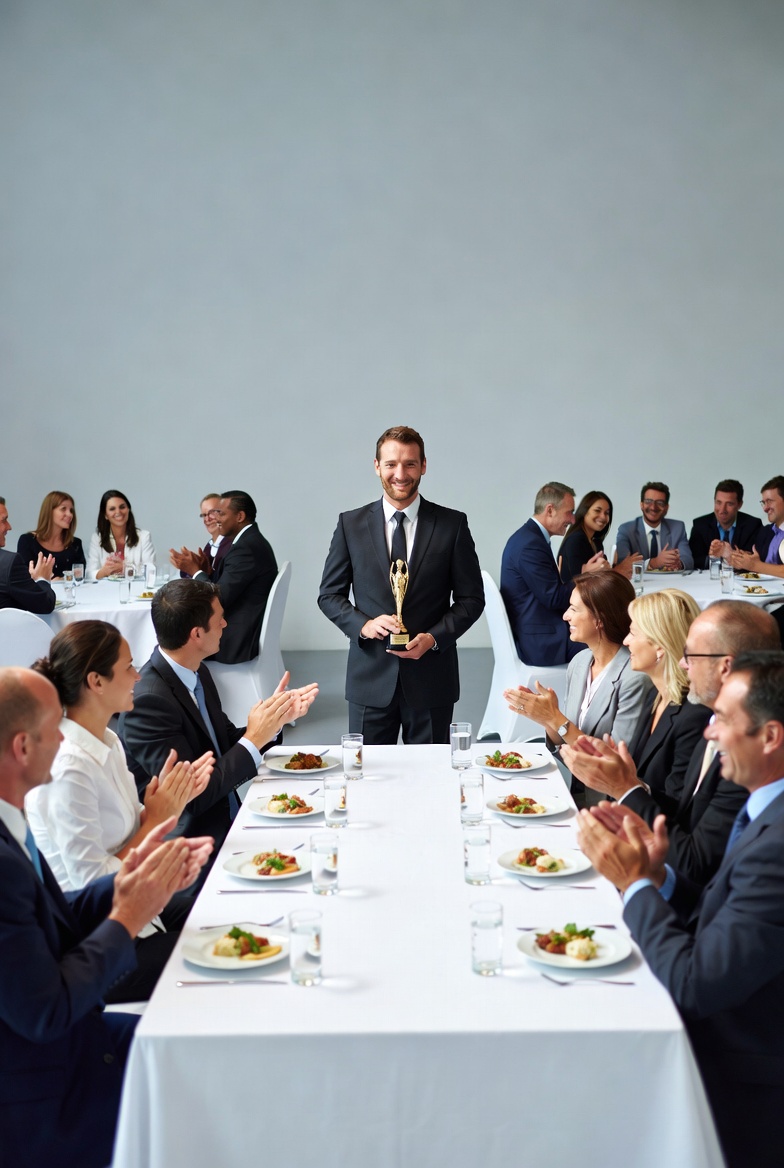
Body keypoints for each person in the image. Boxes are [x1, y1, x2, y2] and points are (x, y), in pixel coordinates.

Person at [575, 651, 784, 1168]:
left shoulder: (777, 841)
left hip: (740, 1069)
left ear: (771, 737)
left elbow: (696, 984)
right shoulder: (765, 808)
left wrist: (633, 889)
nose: (710, 734)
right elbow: (726, 911)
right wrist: (656, 876)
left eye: (724, 720)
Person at [0, 666, 212, 1168]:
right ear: (23, 748)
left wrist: (124, 885)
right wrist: (127, 919)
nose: (66, 737)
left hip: (73, 1037)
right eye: (56, 726)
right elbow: (45, 1012)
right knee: (202, 1072)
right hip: (41, 1088)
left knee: (203, 1046)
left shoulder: (12, 819)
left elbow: (45, 920)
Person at [25, 621, 214, 1002]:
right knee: (214, 959)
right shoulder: (69, 768)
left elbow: (129, 831)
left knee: (217, 914)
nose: (138, 674)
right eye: (128, 666)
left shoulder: (107, 739)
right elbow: (91, 886)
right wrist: (157, 820)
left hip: (134, 911)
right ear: (96, 681)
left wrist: (165, 808)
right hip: (97, 942)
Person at [561, 599, 779, 881]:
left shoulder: (742, 753)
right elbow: (680, 809)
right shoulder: (711, 723)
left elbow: (694, 863)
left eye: (692, 655)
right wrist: (629, 784)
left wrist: (626, 788)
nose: (682, 663)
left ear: (726, 667)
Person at [119, 578, 318, 846]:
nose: (225, 624)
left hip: (226, 816)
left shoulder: (197, 669)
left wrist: (275, 719)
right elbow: (193, 798)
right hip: (192, 844)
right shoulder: (149, 703)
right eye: (219, 619)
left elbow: (220, 743)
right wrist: (254, 738)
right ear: (197, 634)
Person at [318, 425, 484, 744]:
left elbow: (471, 599)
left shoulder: (452, 525)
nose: (400, 473)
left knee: (431, 782)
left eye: (410, 463)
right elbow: (329, 595)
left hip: (432, 677)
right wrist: (363, 625)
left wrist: (434, 638)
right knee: (367, 781)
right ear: (377, 466)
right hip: (369, 678)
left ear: (423, 466)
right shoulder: (350, 525)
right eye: (391, 464)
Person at [503, 571, 653, 806]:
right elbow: (566, 744)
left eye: (574, 609)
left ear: (599, 619)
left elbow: (617, 766)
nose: (565, 616)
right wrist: (547, 718)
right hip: (573, 792)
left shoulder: (634, 678)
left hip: (609, 806)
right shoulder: (581, 662)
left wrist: (556, 718)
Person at [500, 481, 604, 667]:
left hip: (539, 633)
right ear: (550, 510)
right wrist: (585, 575)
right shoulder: (530, 545)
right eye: (569, 512)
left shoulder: (529, 538)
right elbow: (554, 598)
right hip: (543, 643)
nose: (573, 520)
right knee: (607, 643)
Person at [620, 588, 710, 794]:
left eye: (633, 633)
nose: (626, 641)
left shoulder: (694, 715)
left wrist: (620, 784)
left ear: (660, 646)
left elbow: (677, 805)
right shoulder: (655, 694)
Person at [170, 491, 276, 663]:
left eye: (221, 513)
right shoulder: (249, 541)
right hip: (242, 629)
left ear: (240, 516)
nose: (216, 519)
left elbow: (218, 598)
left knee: (176, 638)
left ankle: (179, 688)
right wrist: (207, 572)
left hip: (236, 640)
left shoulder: (246, 548)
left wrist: (196, 572)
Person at [557, 491, 642, 583]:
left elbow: (602, 574)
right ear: (584, 512)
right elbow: (579, 581)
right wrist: (618, 570)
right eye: (597, 510)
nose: (603, 517)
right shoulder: (575, 540)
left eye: (607, 513)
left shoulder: (596, 542)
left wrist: (614, 567)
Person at [615, 481, 694, 570]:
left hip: (670, 582)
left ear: (666, 507)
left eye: (660, 503)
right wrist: (654, 562)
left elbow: (688, 560)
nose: (653, 507)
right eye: (648, 501)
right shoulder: (626, 530)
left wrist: (678, 564)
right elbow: (623, 564)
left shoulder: (678, 527)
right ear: (641, 505)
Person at [687, 478, 762, 568]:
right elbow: (693, 559)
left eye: (729, 504)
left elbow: (756, 558)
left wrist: (729, 554)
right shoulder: (700, 525)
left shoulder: (753, 525)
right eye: (718, 503)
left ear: (739, 505)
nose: (722, 510)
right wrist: (717, 558)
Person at [0, 494, 55, 613]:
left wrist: (26, 580)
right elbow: (45, 604)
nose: (9, 527)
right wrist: (42, 579)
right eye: (4, 520)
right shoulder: (9, 564)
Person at [86, 489, 156, 580]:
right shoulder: (97, 538)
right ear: (105, 515)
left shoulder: (144, 536)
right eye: (112, 509)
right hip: (106, 591)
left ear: (128, 510)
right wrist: (104, 571)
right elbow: (88, 574)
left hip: (136, 591)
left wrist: (126, 568)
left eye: (122, 507)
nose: (118, 512)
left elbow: (151, 571)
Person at [16, 490, 86, 577]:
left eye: (71, 510)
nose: (70, 514)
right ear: (49, 511)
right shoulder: (27, 541)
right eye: (63, 509)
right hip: (40, 591)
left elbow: (79, 577)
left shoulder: (75, 544)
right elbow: (24, 577)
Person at [730, 474, 784, 574]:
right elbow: (758, 562)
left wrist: (754, 565)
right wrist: (741, 560)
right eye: (763, 503)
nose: (765, 508)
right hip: (763, 588)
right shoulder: (766, 531)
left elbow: (758, 566)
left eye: (769, 501)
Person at [175, 492, 233, 579]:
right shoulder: (209, 546)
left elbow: (221, 588)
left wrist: (195, 570)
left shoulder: (232, 546)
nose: (207, 519)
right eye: (204, 515)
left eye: (211, 513)